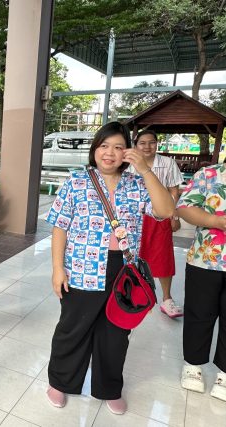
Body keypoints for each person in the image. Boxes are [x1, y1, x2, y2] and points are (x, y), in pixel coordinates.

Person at [45, 122, 174, 415]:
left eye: (118, 147)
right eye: (104, 146)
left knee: (116, 332)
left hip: (124, 270)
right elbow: (60, 227)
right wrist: (57, 268)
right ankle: (60, 382)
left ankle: (109, 387)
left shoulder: (137, 183)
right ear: (95, 149)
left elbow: (166, 210)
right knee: (73, 328)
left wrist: (145, 170)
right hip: (82, 267)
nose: (110, 153)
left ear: (127, 152)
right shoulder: (76, 181)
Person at [176, 164, 226, 401]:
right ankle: (193, 365)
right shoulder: (209, 175)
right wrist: (215, 221)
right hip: (205, 258)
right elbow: (184, 207)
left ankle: (225, 372)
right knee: (199, 313)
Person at [128, 130, 184, 318]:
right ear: (136, 145)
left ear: (157, 144)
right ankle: (132, 292)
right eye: (142, 143)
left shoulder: (167, 163)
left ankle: (167, 299)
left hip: (160, 216)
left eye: (151, 142)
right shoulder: (128, 163)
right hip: (134, 216)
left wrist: (174, 217)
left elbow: (174, 191)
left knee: (163, 256)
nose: (147, 146)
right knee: (132, 255)